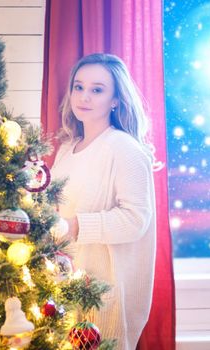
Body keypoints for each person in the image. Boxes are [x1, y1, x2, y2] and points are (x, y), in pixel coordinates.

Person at [50, 53, 157, 350]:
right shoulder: (67, 150)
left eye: (97, 89)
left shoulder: (124, 149)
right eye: (78, 87)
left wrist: (74, 226)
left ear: (115, 100)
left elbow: (136, 220)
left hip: (104, 294)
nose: (84, 96)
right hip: (62, 287)